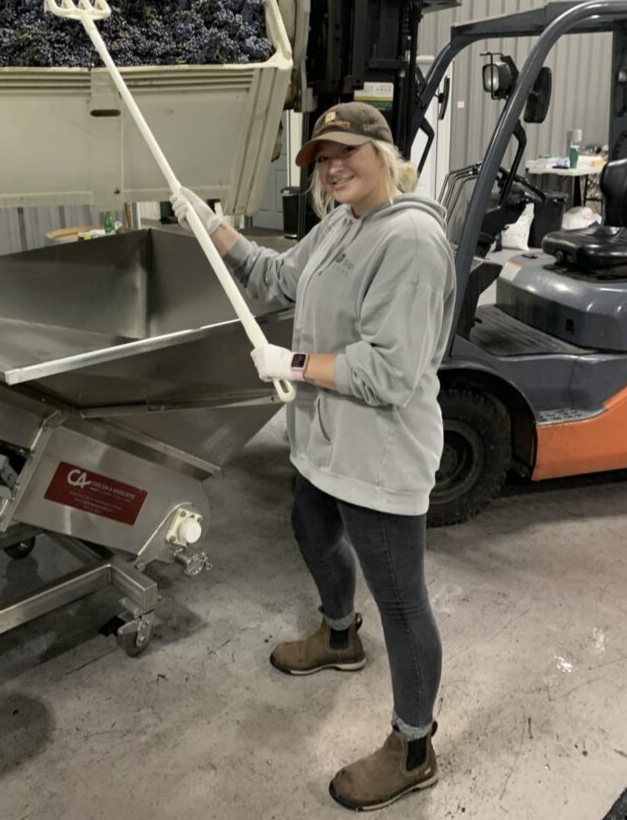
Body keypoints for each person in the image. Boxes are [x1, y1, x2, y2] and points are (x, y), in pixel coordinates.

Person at [170, 101, 456, 812]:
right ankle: (338, 636)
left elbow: (390, 372)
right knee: (309, 527)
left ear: (384, 155)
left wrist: (291, 362)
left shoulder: (412, 241)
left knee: (402, 599)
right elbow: (279, 278)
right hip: (324, 438)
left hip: (379, 454)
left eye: (346, 153)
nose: (332, 166)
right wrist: (214, 228)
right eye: (321, 157)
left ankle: (413, 746)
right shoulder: (341, 222)